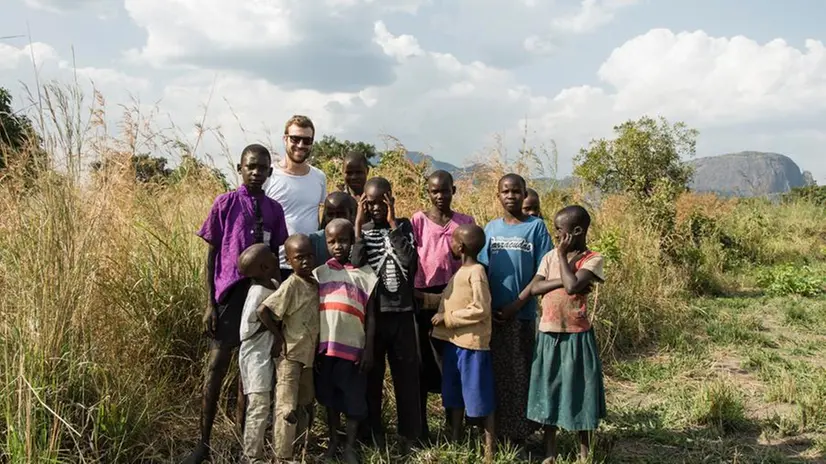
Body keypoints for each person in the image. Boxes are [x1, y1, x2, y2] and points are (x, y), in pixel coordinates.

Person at [186, 144, 289, 464]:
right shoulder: (225, 204)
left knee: (251, 371)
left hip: (259, 296)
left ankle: (245, 444)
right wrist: (210, 303)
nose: (257, 172)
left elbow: (277, 255)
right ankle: (203, 443)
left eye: (263, 168)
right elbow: (211, 255)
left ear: (271, 172)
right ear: (240, 168)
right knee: (216, 365)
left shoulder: (274, 209)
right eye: (251, 167)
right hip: (229, 295)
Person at [477, 173, 552, 449]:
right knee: (496, 373)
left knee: (520, 373)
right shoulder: (491, 228)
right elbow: (481, 267)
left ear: (524, 194)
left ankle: (520, 434)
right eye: (505, 191)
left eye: (516, 191)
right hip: (492, 315)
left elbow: (543, 272)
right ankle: (496, 432)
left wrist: (516, 304)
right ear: (498, 195)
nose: (511, 196)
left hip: (520, 313)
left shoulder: (536, 228)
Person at [527, 206, 606, 464]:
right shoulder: (549, 257)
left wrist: (562, 259)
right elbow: (536, 287)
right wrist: (562, 274)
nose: (556, 235)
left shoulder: (592, 259)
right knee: (549, 388)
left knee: (581, 388)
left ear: (577, 231)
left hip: (577, 335)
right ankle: (550, 451)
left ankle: (585, 453)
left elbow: (573, 287)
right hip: (549, 332)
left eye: (560, 231)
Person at [352, 177, 422, 450]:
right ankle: (373, 433)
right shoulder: (363, 230)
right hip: (375, 315)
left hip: (403, 313)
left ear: (390, 199)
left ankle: (410, 435)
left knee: (407, 375)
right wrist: (358, 226)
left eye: (382, 202)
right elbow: (356, 264)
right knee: (373, 377)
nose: (377, 208)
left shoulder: (404, 226)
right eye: (370, 203)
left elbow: (409, 261)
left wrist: (393, 225)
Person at [410, 169, 475, 440]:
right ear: (428, 193)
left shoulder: (464, 222)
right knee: (422, 363)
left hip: (454, 299)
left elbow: (470, 262)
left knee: (451, 363)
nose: (440, 196)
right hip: (422, 298)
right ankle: (421, 427)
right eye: (435, 191)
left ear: (453, 191)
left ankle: (454, 427)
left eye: (445, 190)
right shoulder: (418, 220)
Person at [428, 224, 496, 464]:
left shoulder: (476, 272)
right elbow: (450, 298)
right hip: (454, 344)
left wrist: (448, 319)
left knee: (479, 395)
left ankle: (489, 449)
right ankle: (456, 438)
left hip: (472, 346)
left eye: (453, 240)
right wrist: (424, 298)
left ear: (461, 246)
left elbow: (481, 308)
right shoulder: (461, 272)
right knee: (454, 393)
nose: (450, 243)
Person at [313, 219, 379, 464]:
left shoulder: (365, 274)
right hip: (327, 349)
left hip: (353, 352)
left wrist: (368, 349)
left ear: (352, 241)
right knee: (330, 399)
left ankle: (350, 446)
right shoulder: (320, 273)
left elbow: (371, 316)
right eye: (332, 242)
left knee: (353, 399)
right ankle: (333, 442)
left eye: (343, 241)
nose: (338, 246)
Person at [256, 234, 320, 462]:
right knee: (286, 408)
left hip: (308, 357)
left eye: (309, 256)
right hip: (291, 355)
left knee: (304, 405)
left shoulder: (314, 283)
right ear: (289, 261)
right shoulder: (291, 284)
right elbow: (264, 310)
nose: (306, 262)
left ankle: (299, 451)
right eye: (299, 258)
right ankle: (282, 456)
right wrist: (278, 337)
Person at [264, 115, 327, 279]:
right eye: (295, 139)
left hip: (311, 265)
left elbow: (321, 219)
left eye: (307, 141)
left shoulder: (319, 177)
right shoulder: (269, 175)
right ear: (285, 139)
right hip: (277, 265)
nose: (300, 145)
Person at [235, 244, 281, 464]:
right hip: (255, 353)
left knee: (264, 402)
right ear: (264, 267)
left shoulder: (271, 285)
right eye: (272, 256)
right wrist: (275, 331)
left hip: (263, 352)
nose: (275, 256)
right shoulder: (257, 292)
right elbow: (246, 329)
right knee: (259, 403)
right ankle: (251, 456)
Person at [309, 191, 358, 266]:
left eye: (341, 214)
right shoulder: (315, 241)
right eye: (330, 214)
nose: (335, 218)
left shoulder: (359, 237)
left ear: (351, 213)